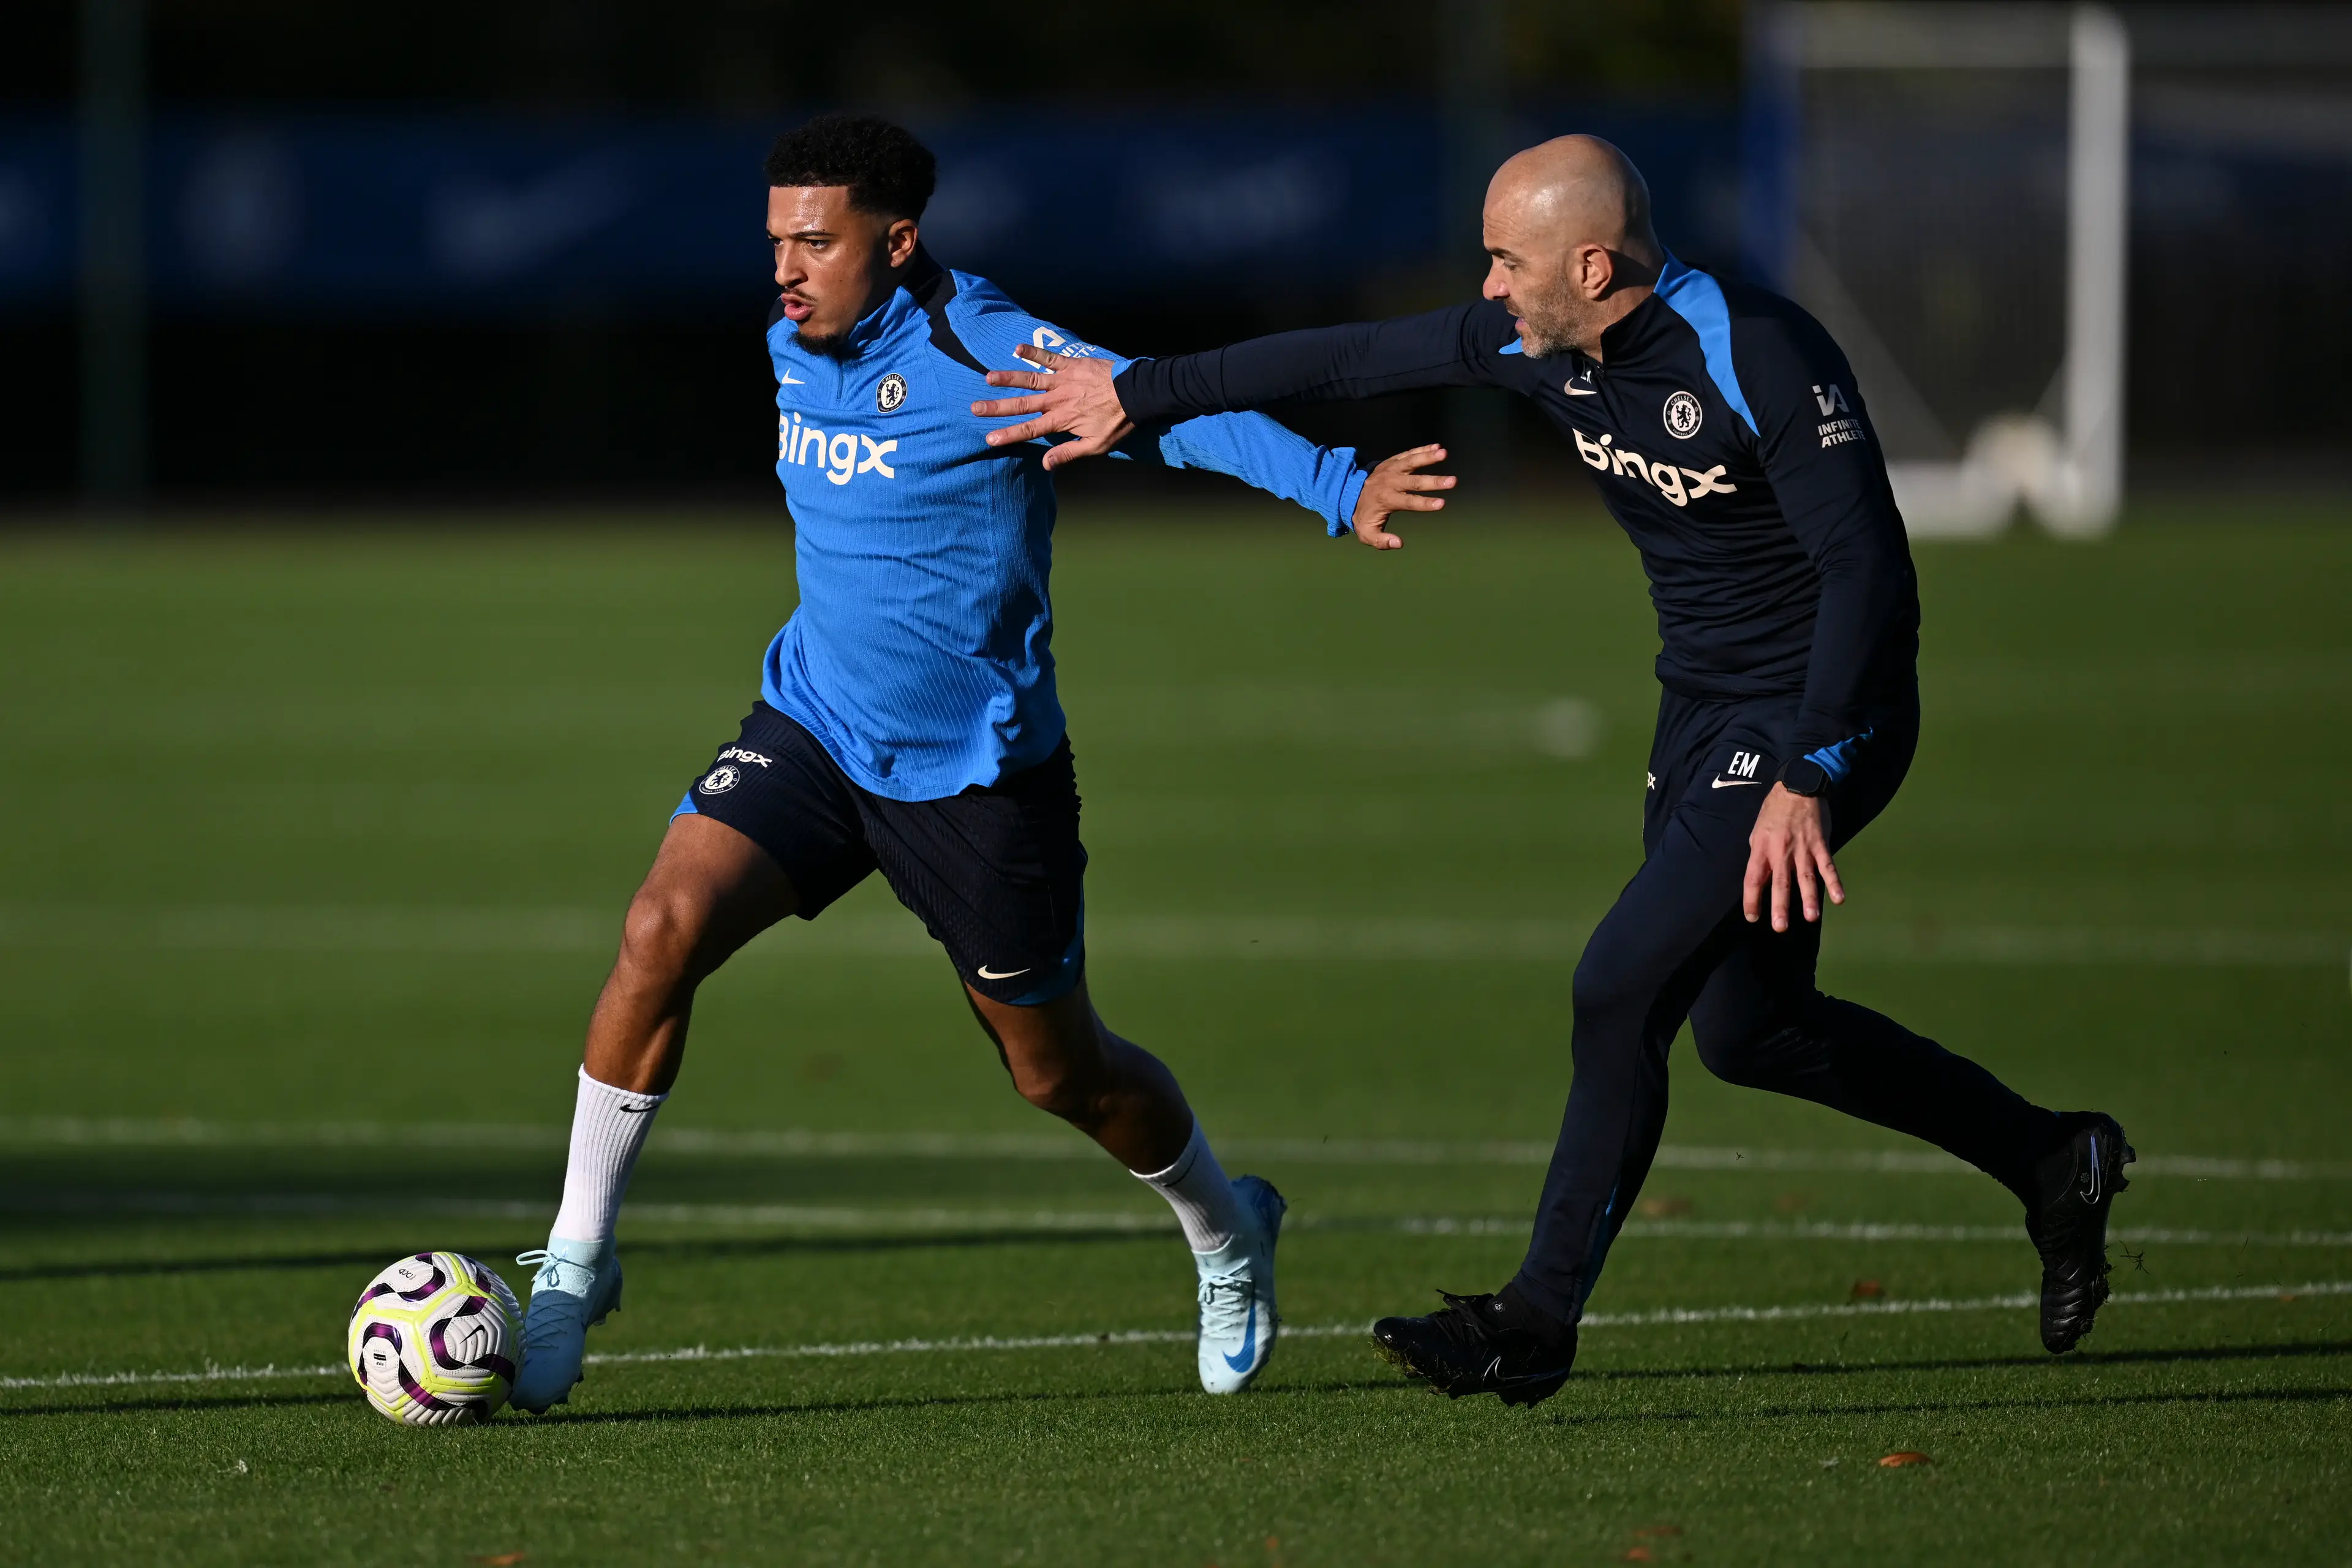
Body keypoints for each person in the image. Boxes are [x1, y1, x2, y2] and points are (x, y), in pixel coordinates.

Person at [971, 134, 2135, 1407]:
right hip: (1698, 717)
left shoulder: (1759, 350)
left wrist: (1811, 769)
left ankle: (1533, 1321)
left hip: (1818, 717)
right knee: (1752, 1030)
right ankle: (2051, 1157)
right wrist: (1139, 389)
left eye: (1504, 259)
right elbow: (1346, 359)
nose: (1486, 289)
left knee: (1617, 986)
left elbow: (1872, 573)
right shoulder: (1538, 343)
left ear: (1593, 261)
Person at [509, 113, 1442, 1411]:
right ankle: (575, 1260)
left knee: (1059, 1072)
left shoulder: (987, 348)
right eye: (775, 240)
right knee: (659, 927)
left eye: (815, 243)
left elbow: (1163, 412)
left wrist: (1341, 485)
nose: (785, 268)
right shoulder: (797, 335)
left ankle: (1228, 1231)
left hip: (977, 779)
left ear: (898, 244)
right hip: (817, 727)